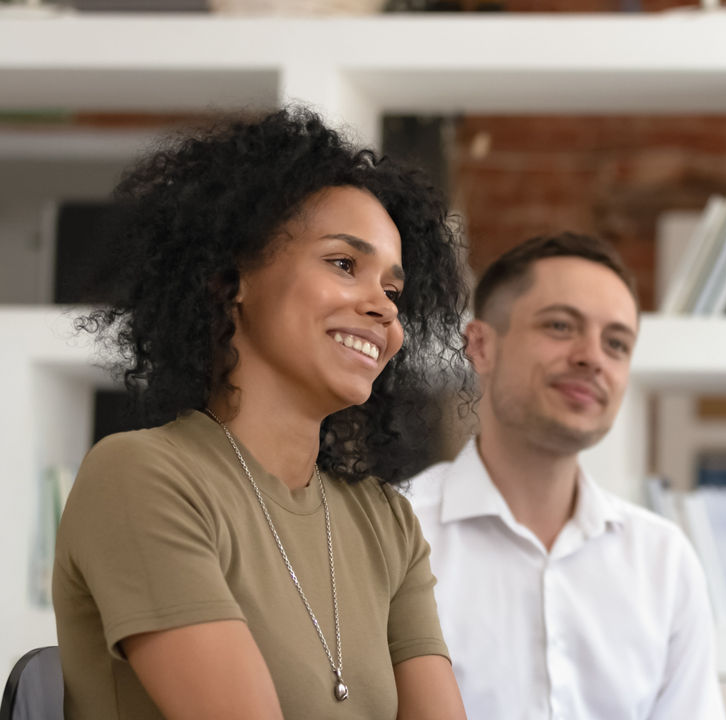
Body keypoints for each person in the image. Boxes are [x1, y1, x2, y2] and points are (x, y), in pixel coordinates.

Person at [53, 107, 470, 720]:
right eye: (343, 264)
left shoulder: (386, 523)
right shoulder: (142, 477)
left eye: (393, 291)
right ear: (231, 280)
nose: (381, 309)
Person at [407, 232, 726, 720]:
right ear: (481, 346)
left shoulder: (664, 560)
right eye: (560, 326)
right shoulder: (398, 532)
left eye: (616, 344)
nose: (591, 357)